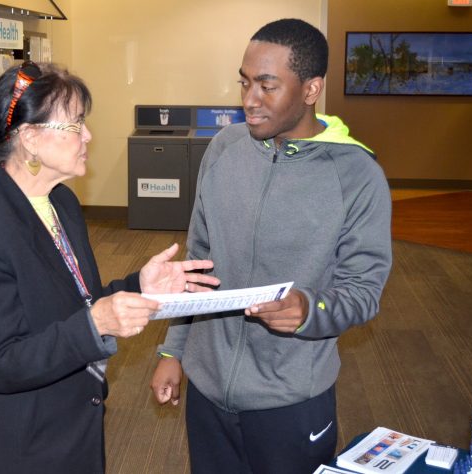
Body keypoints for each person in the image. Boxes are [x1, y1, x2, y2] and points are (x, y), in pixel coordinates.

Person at [0, 62, 219, 473]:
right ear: (31, 139)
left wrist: (141, 286)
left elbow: (77, 302)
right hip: (25, 443)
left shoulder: (62, 204)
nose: (87, 136)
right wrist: (96, 325)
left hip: (76, 424)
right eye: (75, 125)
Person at [150, 18, 392, 474]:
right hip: (207, 388)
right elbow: (196, 262)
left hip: (291, 399)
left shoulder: (357, 176)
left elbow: (363, 291)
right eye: (244, 83)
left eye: (267, 86)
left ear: (310, 89)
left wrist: (310, 309)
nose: (249, 101)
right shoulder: (224, 150)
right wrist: (173, 351)